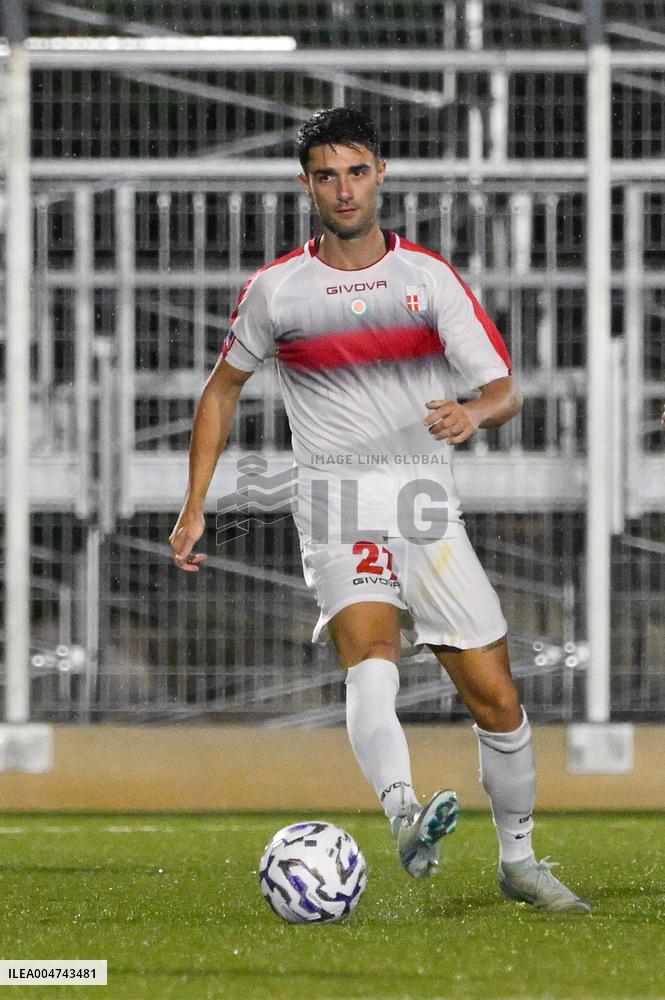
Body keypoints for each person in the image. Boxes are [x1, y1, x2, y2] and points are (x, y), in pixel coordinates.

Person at [170, 107, 590, 913]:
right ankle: (403, 813)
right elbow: (222, 391)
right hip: (332, 495)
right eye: (326, 175)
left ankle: (519, 859)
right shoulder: (276, 289)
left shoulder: (426, 279)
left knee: (495, 696)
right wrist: (195, 506)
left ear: (380, 174)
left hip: (424, 496)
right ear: (306, 186)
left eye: (356, 171)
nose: (343, 188)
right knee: (371, 657)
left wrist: (474, 413)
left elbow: (503, 389)